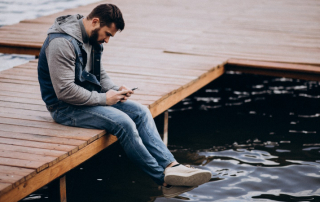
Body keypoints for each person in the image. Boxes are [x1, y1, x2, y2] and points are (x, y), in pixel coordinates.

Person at [37, 3, 211, 198]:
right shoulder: (62, 43)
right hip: (64, 108)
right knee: (124, 123)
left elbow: (99, 74)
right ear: (95, 21)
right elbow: (64, 92)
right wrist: (104, 98)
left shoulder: (92, 36)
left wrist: (115, 89)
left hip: (88, 99)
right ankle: (164, 181)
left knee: (141, 111)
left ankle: (172, 166)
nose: (108, 40)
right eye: (108, 34)